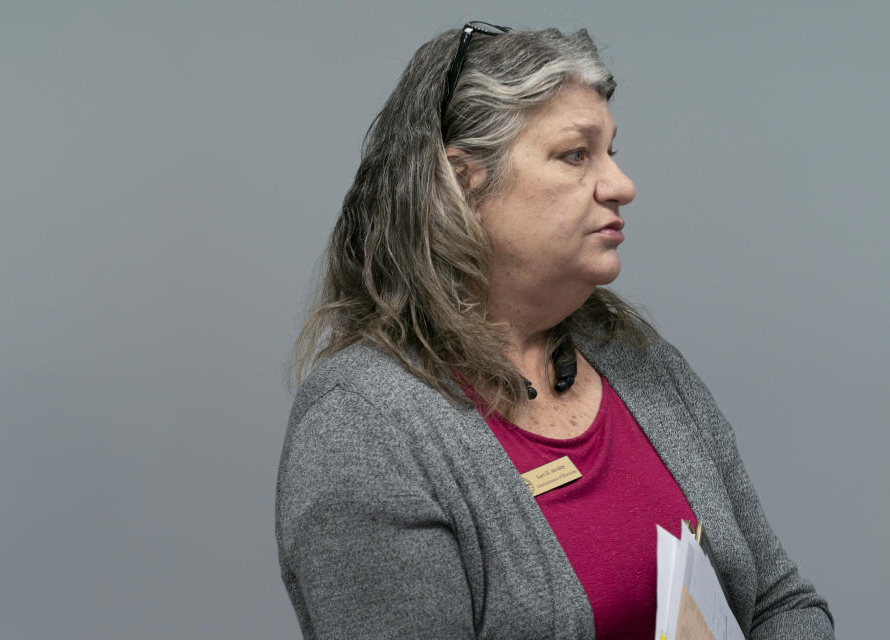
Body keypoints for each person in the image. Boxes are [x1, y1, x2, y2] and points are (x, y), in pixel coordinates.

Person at [276, 22, 834, 639]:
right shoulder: (364, 426)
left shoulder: (644, 365)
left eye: (610, 152)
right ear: (465, 181)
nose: (621, 186)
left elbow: (784, 603)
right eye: (576, 154)